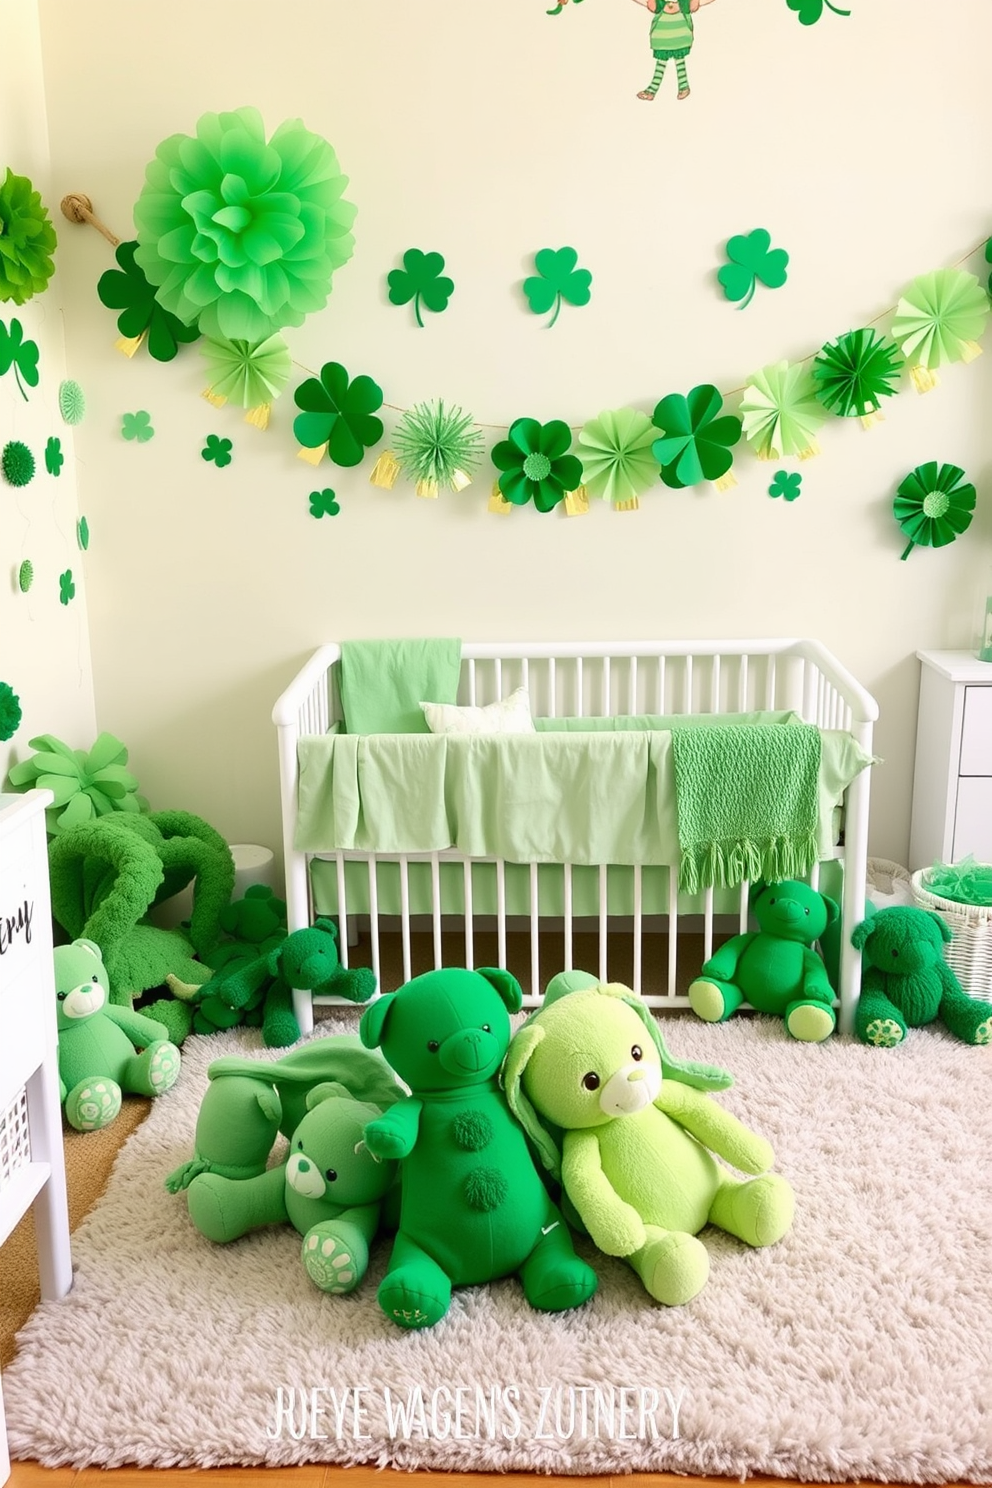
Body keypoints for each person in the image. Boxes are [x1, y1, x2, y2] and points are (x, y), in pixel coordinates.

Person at [631, 0, 717, 101]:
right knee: (661, 62)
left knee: (678, 60)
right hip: (663, 38)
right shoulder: (657, 3)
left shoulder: (685, 4)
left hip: (679, 36)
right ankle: (655, 89)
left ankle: (680, 86)